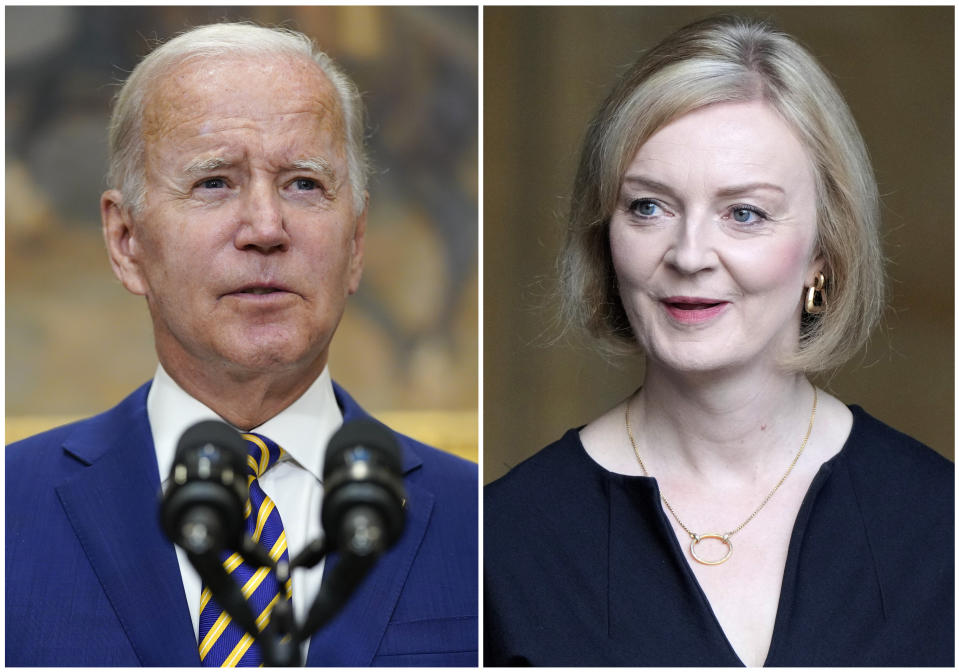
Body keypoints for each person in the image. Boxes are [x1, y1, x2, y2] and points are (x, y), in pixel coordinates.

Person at [484, 15, 953, 667]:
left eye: (744, 213)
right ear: (604, 232)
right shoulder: (500, 544)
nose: (688, 253)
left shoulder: (938, 523)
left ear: (823, 251)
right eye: (648, 206)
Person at [6, 22, 477, 667]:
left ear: (356, 244)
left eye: (304, 184)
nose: (265, 228)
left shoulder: (484, 524)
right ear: (126, 242)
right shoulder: (13, 512)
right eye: (214, 183)